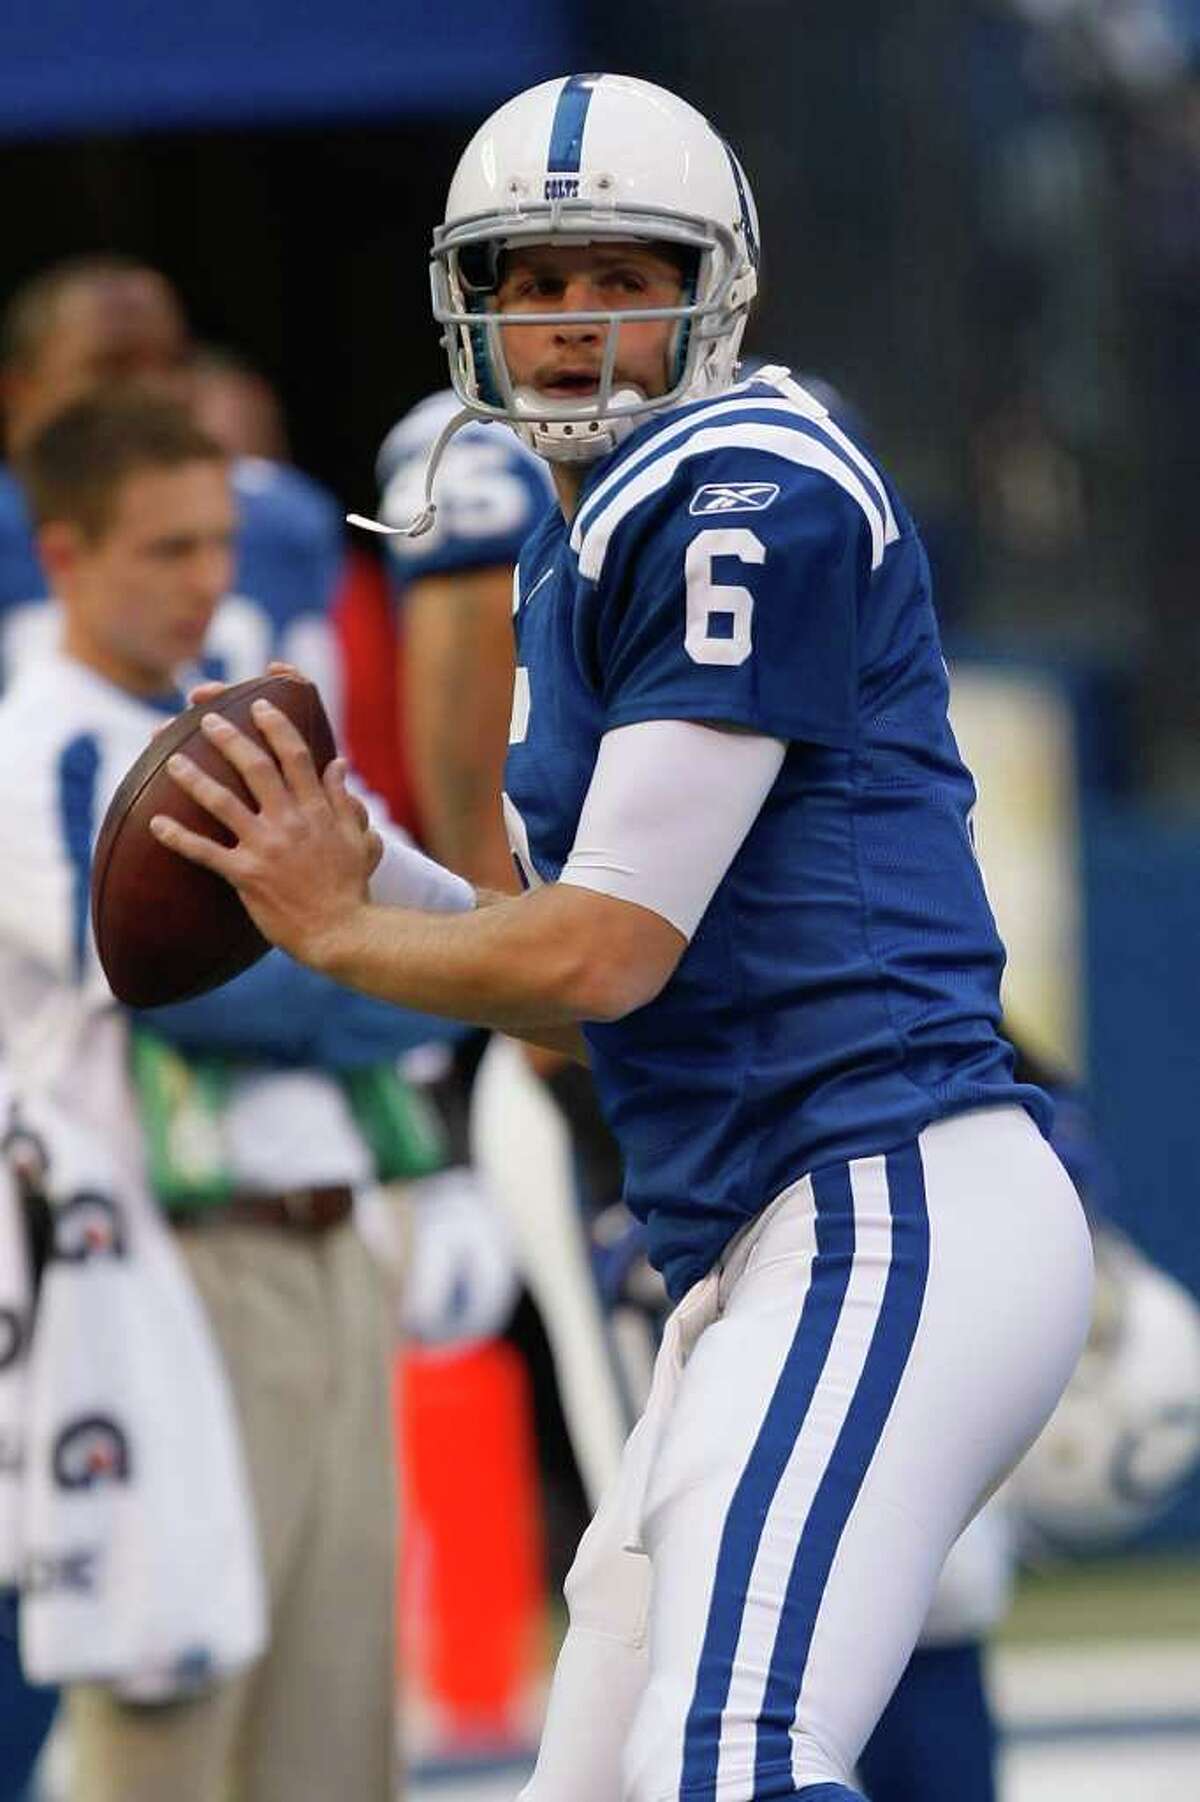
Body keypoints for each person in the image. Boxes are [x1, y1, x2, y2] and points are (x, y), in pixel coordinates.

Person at [155, 73, 1095, 1802]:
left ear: (712, 284)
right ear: (474, 305)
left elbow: (604, 960)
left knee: (730, 1756)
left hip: (888, 1198)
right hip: (769, 1226)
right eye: (533, 281)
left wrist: (338, 927)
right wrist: (380, 879)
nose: (576, 323)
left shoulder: (745, 485)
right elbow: (594, 1005)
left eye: (618, 274)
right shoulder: (579, 543)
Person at [0, 389, 461, 1802]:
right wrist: (380, 972)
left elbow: (413, 948)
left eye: (220, 542)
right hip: (157, 1269)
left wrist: (377, 969)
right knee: (169, 1712)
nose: (211, 578)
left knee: (336, 1740)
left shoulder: (246, 727)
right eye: (167, 548)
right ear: (65, 555)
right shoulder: (46, 746)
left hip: (331, 1246)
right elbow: (187, 986)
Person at [0, 255, 345, 719]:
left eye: (171, 363)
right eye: (112, 367)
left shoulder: (281, 516)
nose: (150, 392)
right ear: (19, 390)